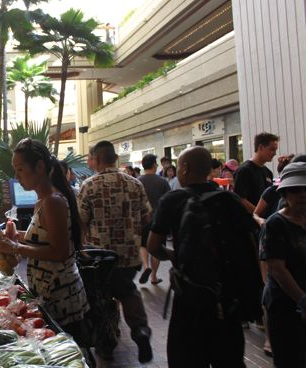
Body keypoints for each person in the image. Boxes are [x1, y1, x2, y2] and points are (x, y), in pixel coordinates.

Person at [147, 146, 260, 367]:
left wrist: (175, 256)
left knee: (187, 358)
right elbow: (250, 244)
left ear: (186, 168)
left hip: (189, 295)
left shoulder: (172, 200)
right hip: (228, 297)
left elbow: (153, 246)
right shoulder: (230, 200)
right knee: (228, 358)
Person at [0, 138, 90, 339]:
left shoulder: (53, 201)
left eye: (20, 169)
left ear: (40, 166)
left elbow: (60, 252)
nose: (16, 176)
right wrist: (13, 236)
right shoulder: (43, 201)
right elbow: (44, 240)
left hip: (61, 296)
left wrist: (15, 247)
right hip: (48, 292)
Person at [77, 140, 153, 363]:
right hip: (129, 254)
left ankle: (106, 345)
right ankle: (140, 329)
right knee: (127, 291)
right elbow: (147, 216)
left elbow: (81, 223)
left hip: (99, 257)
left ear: (98, 159)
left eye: (91, 158)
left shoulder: (89, 186)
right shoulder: (134, 184)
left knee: (101, 298)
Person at [262, 162, 306, 368]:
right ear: (285, 193)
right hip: (285, 306)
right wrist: (302, 300)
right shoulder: (276, 223)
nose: (302, 195)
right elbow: (277, 269)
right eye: (296, 190)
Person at [138, 154, 170, 285]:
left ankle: (146, 266)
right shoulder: (162, 181)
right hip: (158, 219)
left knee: (143, 245)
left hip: (142, 218)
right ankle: (153, 277)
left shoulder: (137, 181)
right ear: (154, 165)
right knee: (156, 248)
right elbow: (168, 201)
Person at [234, 132, 279, 213]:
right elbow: (240, 199)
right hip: (250, 221)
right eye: (272, 149)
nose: (275, 153)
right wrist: (258, 215)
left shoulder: (268, 172)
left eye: (275, 150)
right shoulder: (244, 170)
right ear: (261, 147)